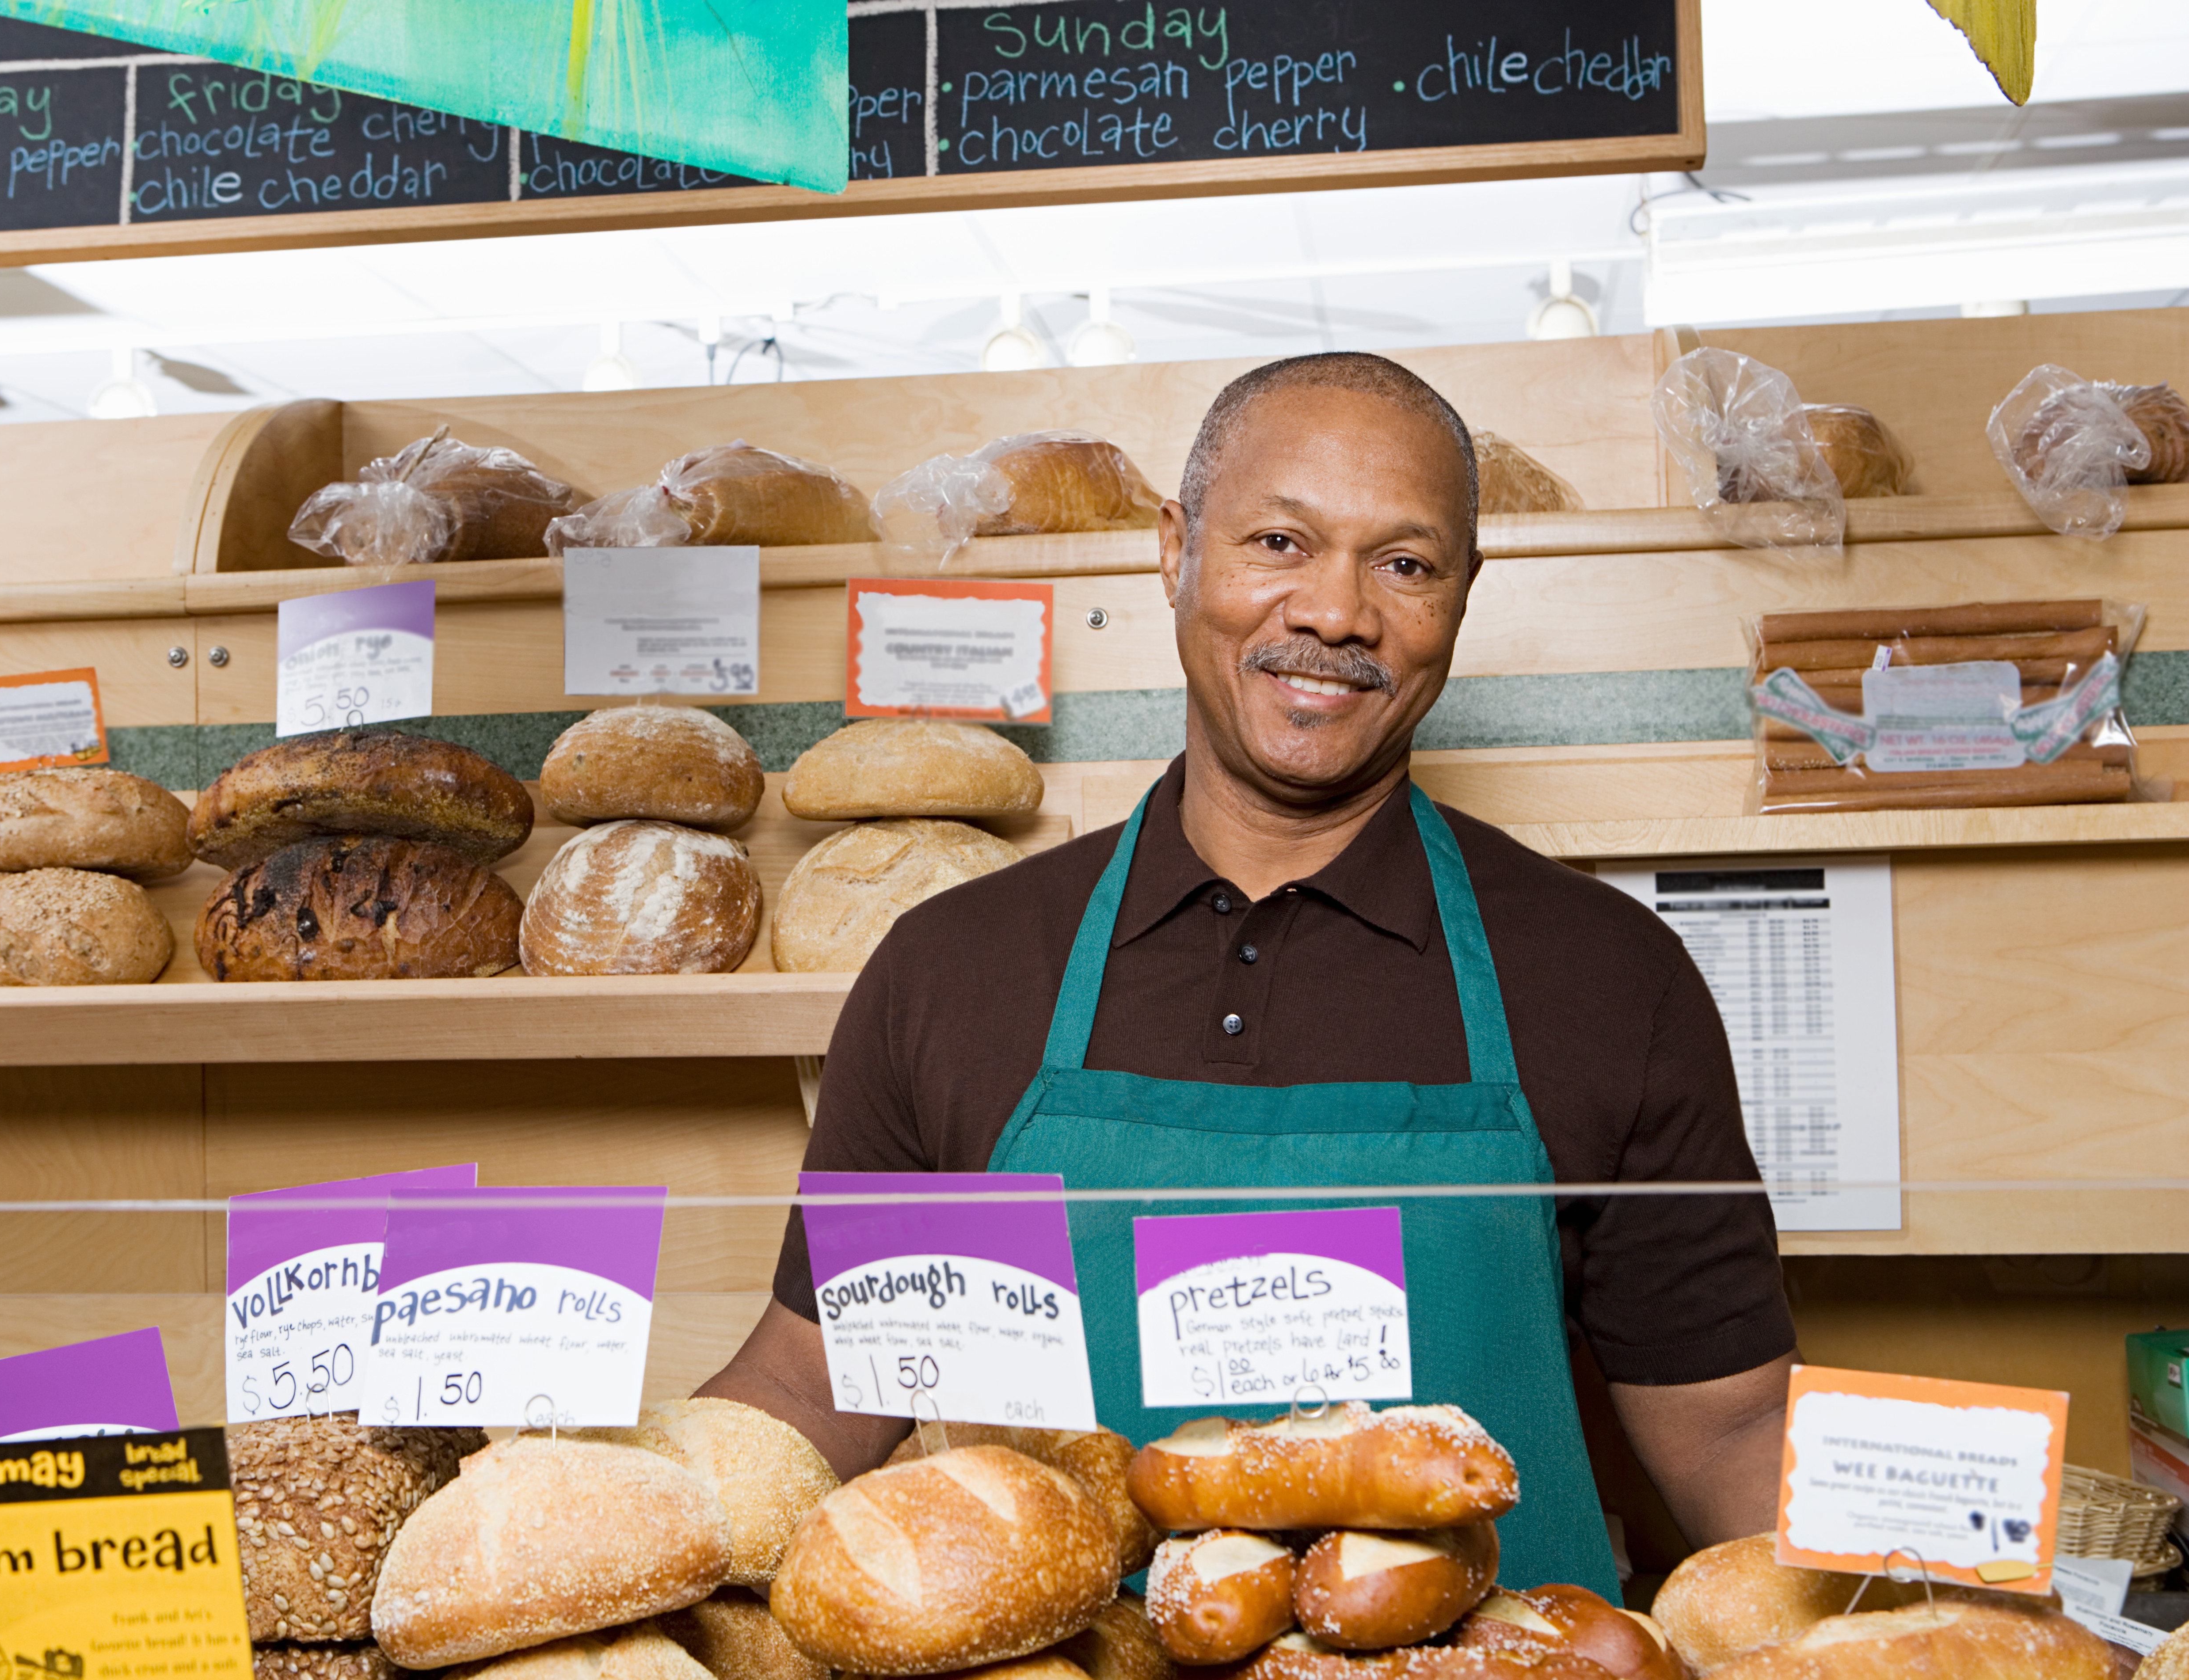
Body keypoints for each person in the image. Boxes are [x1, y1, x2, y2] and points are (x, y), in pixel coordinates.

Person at [701, 352, 1797, 1594]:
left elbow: (1730, 1429)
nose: (1335, 612)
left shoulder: (1606, 976)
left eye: (1404, 563)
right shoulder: (953, 972)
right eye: (1279, 541)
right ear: (1174, 550)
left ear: (1462, 594)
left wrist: (1936, 1586)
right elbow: (815, 1385)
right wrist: (597, 1524)